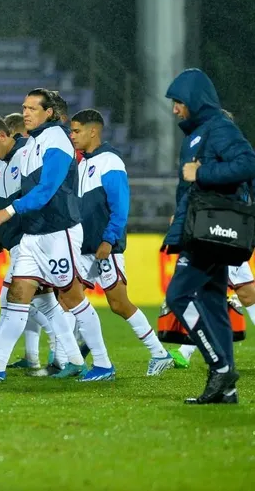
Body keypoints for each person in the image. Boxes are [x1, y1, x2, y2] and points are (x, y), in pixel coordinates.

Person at [0, 88, 113, 383]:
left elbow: (46, 191)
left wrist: (9, 212)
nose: (26, 112)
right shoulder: (32, 145)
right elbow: (14, 195)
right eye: (24, 107)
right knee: (17, 295)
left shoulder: (57, 139)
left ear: (49, 113)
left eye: (33, 108)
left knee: (72, 299)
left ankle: (104, 364)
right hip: (33, 235)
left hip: (59, 232)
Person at [162, 69, 255, 404]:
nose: (174, 109)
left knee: (178, 297)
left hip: (213, 230)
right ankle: (225, 390)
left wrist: (202, 173)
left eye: (178, 102)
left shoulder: (219, 128)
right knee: (214, 305)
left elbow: (247, 164)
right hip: (204, 228)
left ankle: (219, 366)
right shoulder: (200, 133)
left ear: (195, 100)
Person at [69, 109, 173, 375]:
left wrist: (109, 239)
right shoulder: (82, 163)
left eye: (77, 131)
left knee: (118, 303)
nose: (72, 136)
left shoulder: (110, 161)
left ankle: (158, 352)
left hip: (104, 247)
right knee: (67, 297)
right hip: (83, 246)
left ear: (93, 131)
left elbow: (120, 207)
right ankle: (72, 355)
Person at [0, 114, 55, 374]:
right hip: (17, 242)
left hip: (34, 238)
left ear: (3, 136)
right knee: (44, 303)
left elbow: (38, 196)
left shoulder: (27, 155)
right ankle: (68, 355)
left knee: (17, 299)